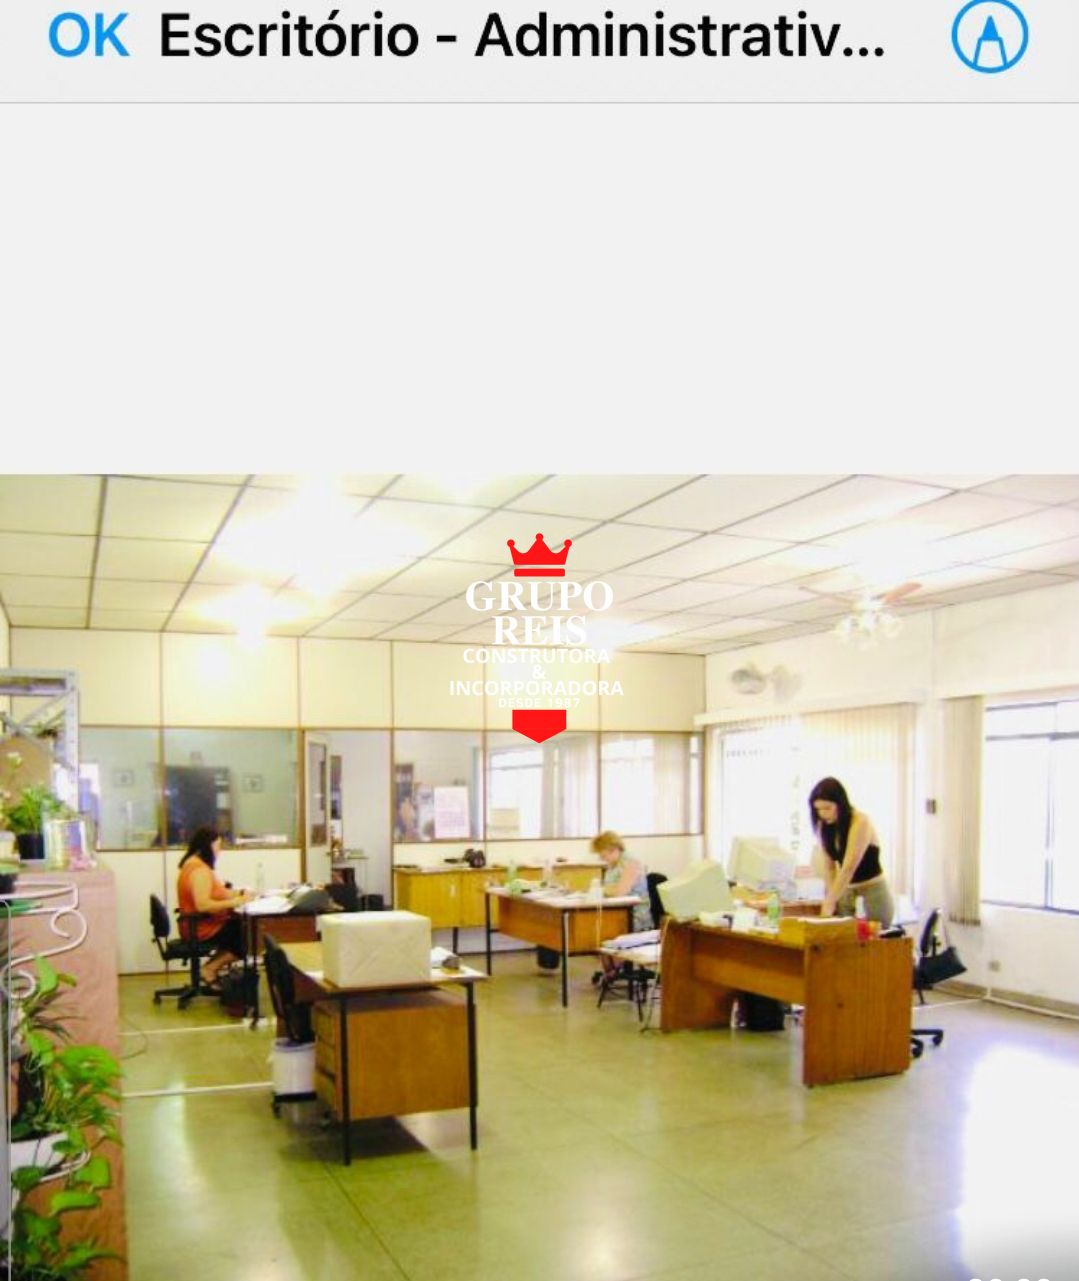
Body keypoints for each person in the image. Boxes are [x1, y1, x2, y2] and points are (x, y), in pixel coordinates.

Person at [808, 777, 894, 927]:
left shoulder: (860, 821)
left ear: (840, 803)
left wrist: (830, 901)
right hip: (846, 892)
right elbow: (829, 868)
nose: (822, 814)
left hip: (872, 892)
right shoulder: (824, 825)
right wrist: (831, 896)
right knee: (842, 937)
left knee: (872, 938)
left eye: (827, 808)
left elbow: (849, 867)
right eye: (818, 809)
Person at [176, 826, 253, 988]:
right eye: (218, 846)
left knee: (240, 927)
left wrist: (240, 893)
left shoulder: (195, 864)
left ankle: (210, 968)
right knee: (249, 935)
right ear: (208, 846)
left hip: (201, 923)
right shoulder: (199, 870)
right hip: (200, 928)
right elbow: (203, 905)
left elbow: (219, 893)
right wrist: (236, 902)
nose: (219, 851)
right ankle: (209, 969)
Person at [591, 830, 652, 934]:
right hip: (618, 912)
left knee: (594, 928)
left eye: (603, 856)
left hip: (634, 917)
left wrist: (603, 890)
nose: (601, 859)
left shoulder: (631, 863)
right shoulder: (613, 865)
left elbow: (619, 893)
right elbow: (609, 889)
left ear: (613, 849)